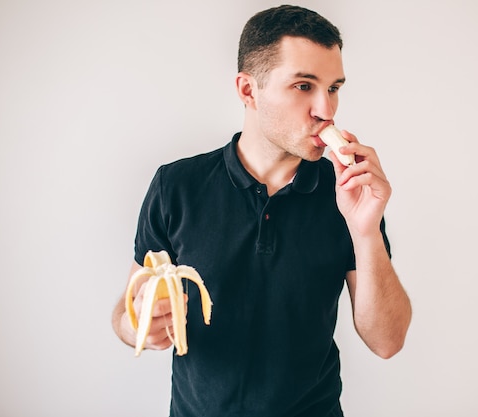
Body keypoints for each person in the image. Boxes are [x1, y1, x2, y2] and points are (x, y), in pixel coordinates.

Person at [111, 5, 412, 417]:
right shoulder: (176, 186)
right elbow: (126, 317)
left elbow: (388, 341)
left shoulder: (347, 194)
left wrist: (366, 230)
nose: (327, 109)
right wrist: (140, 324)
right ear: (248, 90)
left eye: (334, 87)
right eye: (304, 86)